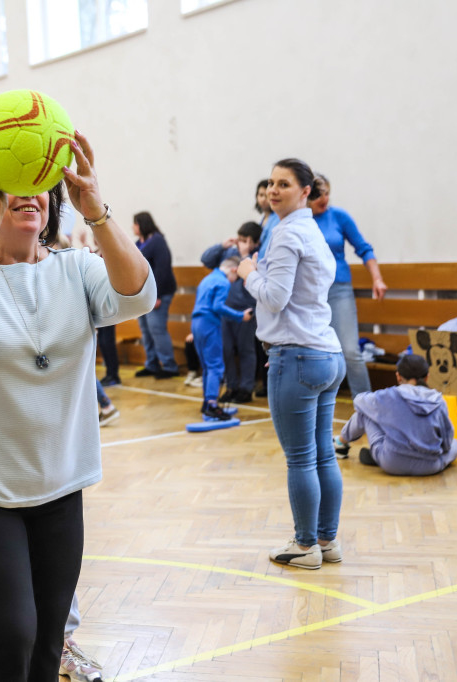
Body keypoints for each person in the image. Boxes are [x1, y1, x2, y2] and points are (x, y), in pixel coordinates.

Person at [0, 131, 155, 680]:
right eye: (11, 186)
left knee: (49, 640)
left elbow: (139, 295)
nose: (30, 194)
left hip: (57, 483)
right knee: (9, 635)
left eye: (40, 187)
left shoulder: (75, 269)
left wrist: (96, 210)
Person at [238, 158, 345, 570]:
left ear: (306, 192)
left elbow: (275, 297)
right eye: (271, 183)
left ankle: (304, 546)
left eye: (284, 184)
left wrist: (248, 271)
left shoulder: (284, 235)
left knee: (302, 458)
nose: (273, 190)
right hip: (324, 353)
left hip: (298, 356)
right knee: (323, 455)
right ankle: (327, 540)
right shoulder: (311, 231)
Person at [310, 172, 388, 397]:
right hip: (310, 293)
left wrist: (377, 278)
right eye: (317, 194)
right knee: (315, 352)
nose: (323, 198)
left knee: (350, 350)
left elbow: (364, 248)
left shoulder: (338, 216)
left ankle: (366, 405)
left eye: (326, 192)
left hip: (338, 289)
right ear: (306, 195)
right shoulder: (300, 220)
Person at [335, 354, 457, 475]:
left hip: (392, 463)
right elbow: (447, 439)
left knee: (365, 412)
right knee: (456, 444)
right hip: (430, 466)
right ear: (427, 377)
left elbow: (358, 401)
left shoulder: (390, 395)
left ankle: (340, 444)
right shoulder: (438, 400)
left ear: (398, 376)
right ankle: (434, 459)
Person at [200, 222, 263, 403]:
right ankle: (231, 386)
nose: (240, 243)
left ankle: (245, 388)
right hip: (225, 309)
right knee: (226, 350)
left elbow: (252, 281)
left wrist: (245, 255)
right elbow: (205, 259)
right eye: (239, 239)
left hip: (245, 311)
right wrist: (222, 245)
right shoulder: (229, 253)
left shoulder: (256, 258)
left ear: (255, 242)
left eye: (245, 241)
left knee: (246, 350)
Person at [191, 257, 252, 420]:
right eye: (236, 278)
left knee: (206, 366)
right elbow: (217, 306)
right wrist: (240, 316)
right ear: (233, 270)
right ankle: (212, 406)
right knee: (216, 366)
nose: (234, 282)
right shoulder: (223, 282)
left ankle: (206, 403)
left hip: (196, 323)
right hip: (210, 324)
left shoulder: (208, 278)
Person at [132, 211, 178, 379]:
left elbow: (163, 268)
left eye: (135, 223)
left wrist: (156, 295)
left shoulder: (157, 241)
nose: (133, 227)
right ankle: (152, 364)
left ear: (143, 224)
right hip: (143, 295)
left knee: (157, 329)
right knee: (146, 330)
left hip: (159, 294)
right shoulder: (139, 243)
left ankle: (169, 366)